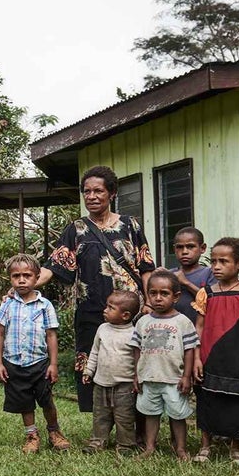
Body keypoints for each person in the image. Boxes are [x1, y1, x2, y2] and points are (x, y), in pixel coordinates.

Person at [36, 165, 156, 412]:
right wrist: (22, 286)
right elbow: (53, 265)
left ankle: (135, 422)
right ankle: (100, 424)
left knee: (131, 362)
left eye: (98, 191)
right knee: (91, 362)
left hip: (129, 312)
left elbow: (146, 266)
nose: (91, 197)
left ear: (111, 193)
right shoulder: (76, 229)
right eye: (87, 192)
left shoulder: (130, 225)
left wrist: (150, 302)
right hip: (91, 312)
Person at [192, 238, 239, 464]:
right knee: (207, 400)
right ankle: (205, 446)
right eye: (213, 261)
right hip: (209, 356)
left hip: (238, 357)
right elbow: (199, 327)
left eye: (223, 261)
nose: (216, 266)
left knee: (238, 402)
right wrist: (196, 357)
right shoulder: (206, 293)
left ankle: (236, 448)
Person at [0, 254, 70, 454]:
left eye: (27, 275)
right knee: (24, 402)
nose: (21, 280)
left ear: (37, 278)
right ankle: (31, 435)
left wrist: (53, 364)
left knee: (46, 400)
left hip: (40, 363)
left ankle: (54, 432)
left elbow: (51, 335)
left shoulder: (45, 306)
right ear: (10, 279)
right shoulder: (7, 304)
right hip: (14, 363)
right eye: (16, 276)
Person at [129, 271, 198, 460]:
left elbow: (190, 349)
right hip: (149, 377)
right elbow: (137, 349)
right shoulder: (143, 322)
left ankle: (181, 448)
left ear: (176, 296)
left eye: (164, 293)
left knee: (177, 415)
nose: (158, 298)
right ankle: (150, 446)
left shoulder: (183, 322)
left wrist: (186, 376)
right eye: (153, 293)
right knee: (151, 414)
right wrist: (137, 374)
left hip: (173, 378)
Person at [81, 291, 140, 455]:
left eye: (111, 308)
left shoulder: (134, 333)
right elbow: (94, 352)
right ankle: (97, 441)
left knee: (124, 417)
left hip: (124, 385)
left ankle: (125, 444)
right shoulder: (102, 329)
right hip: (101, 383)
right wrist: (89, 371)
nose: (105, 310)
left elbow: (137, 360)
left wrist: (137, 378)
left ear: (125, 315)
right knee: (100, 415)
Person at [170, 227, 212, 324]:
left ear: (202, 248)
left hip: (200, 331)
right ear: (174, 249)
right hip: (173, 330)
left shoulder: (210, 273)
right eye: (180, 247)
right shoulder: (169, 275)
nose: (184, 252)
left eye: (190, 246)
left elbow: (212, 303)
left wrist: (186, 283)